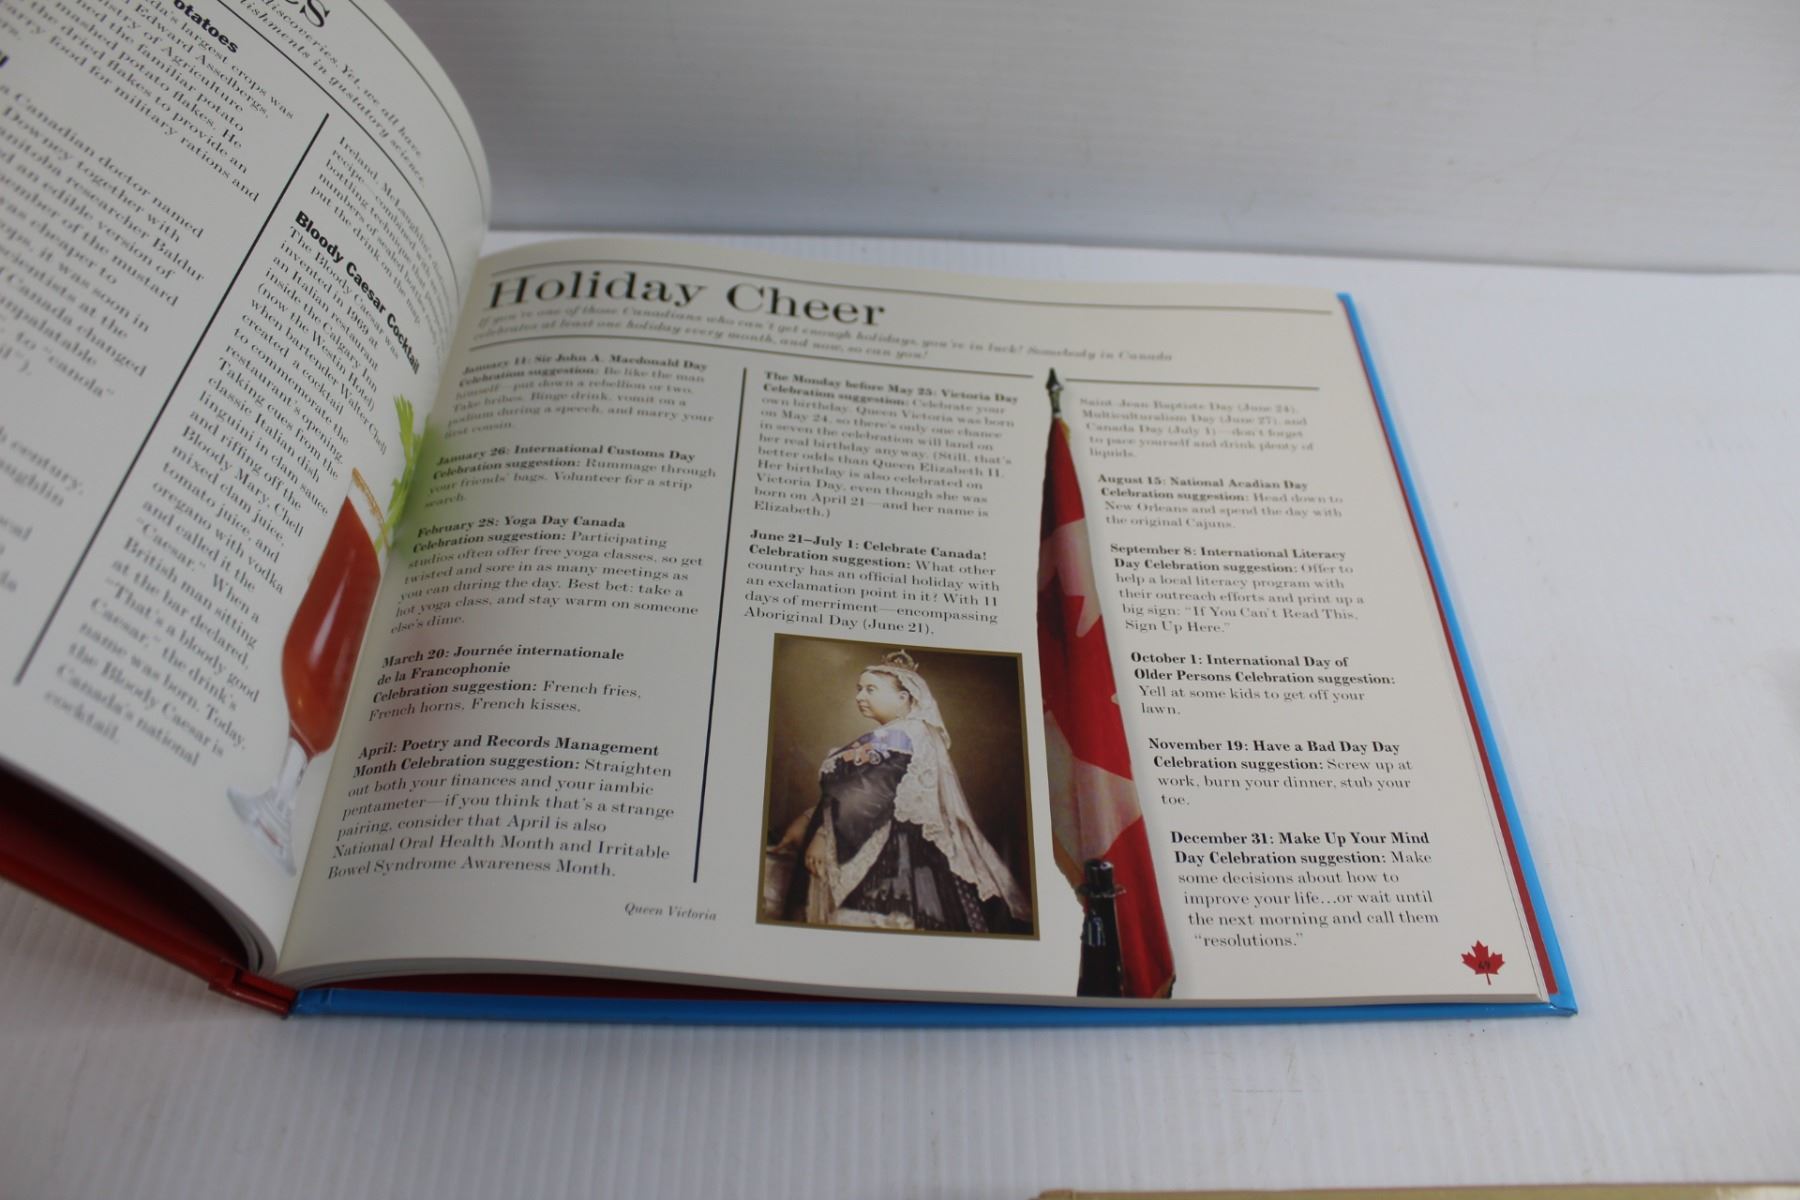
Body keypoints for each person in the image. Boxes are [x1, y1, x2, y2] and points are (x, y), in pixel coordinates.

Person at [770, 651, 1031, 933]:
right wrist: (809, 818)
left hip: (890, 857)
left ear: (903, 697)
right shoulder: (902, 734)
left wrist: (823, 836)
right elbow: (855, 790)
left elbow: (869, 797)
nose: (860, 696)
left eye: (871, 689)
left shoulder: (900, 736)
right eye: (859, 689)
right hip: (887, 842)